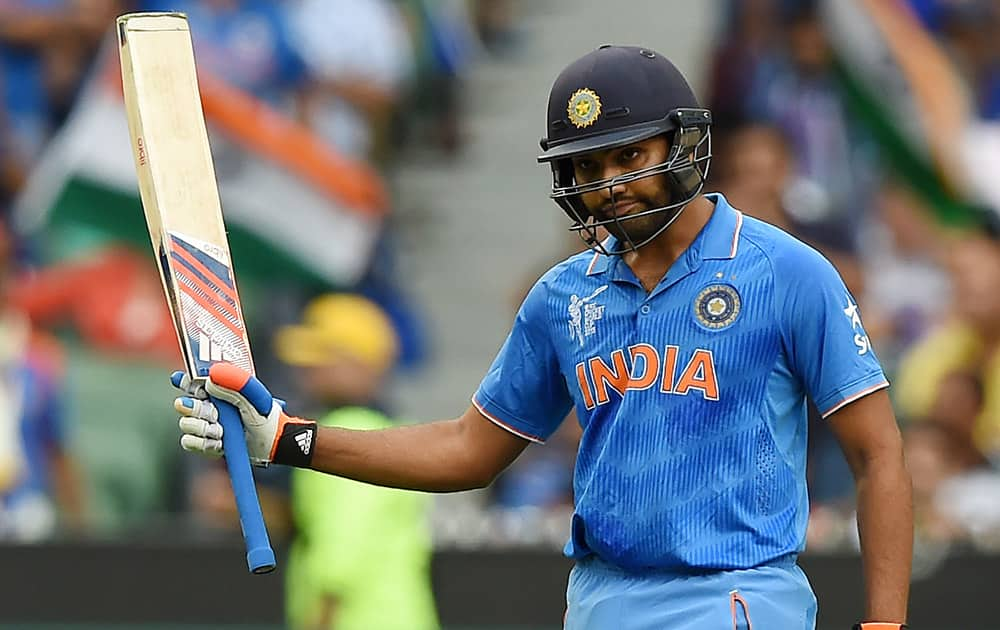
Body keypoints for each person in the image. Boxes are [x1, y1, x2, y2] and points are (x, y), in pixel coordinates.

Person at [173, 45, 912, 629]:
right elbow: (468, 450)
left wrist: (884, 622)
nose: (610, 182)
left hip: (737, 597)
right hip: (601, 602)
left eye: (631, 155)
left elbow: (877, 453)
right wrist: (289, 439)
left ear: (683, 144)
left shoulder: (785, 271)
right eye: (588, 166)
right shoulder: (565, 297)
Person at [274, 293, 439, 630]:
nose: (307, 369)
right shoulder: (390, 433)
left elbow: (341, 545)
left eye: (323, 355)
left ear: (362, 363)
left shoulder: (346, 435)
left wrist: (320, 620)